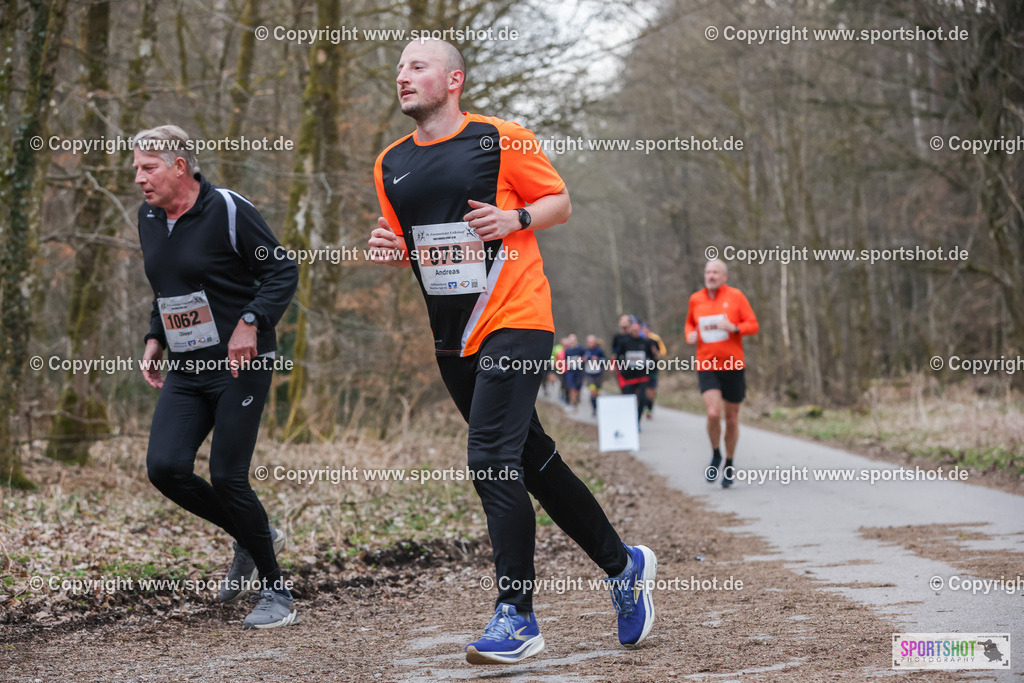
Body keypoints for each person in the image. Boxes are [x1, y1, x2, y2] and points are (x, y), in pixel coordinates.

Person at [368, 39, 655, 665]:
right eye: (398, 69)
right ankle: (623, 564)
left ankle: (516, 615)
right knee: (533, 459)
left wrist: (516, 220)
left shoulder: (503, 137)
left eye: (417, 67)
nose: (403, 76)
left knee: (490, 455)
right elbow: (416, 243)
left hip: (517, 317)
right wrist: (394, 250)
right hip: (453, 336)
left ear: (455, 80)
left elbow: (560, 202)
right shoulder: (390, 163)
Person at [133, 125, 299, 629]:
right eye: (136, 169)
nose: (139, 178)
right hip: (187, 365)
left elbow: (282, 271)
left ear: (179, 166)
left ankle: (278, 594)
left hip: (239, 364)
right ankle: (256, 535)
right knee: (166, 467)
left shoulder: (227, 208)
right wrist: (154, 337)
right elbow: (169, 287)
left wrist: (251, 322)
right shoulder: (148, 217)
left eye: (148, 167)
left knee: (228, 476)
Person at [685, 259, 759, 488]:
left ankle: (729, 462)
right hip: (707, 364)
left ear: (724, 276)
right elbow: (689, 325)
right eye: (708, 271)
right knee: (713, 414)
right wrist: (690, 336)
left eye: (715, 272)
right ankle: (716, 453)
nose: (711, 275)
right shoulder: (696, 299)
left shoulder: (736, 296)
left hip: (733, 366)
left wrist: (735, 328)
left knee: (732, 419)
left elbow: (753, 325)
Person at [614, 317, 659, 425]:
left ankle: (637, 420)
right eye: (632, 329)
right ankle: (630, 420)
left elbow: (653, 357)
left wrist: (649, 364)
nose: (635, 331)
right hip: (629, 376)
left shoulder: (646, 342)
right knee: (630, 400)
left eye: (637, 329)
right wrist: (622, 365)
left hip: (642, 375)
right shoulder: (624, 342)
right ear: (630, 329)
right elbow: (618, 356)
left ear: (640, 329)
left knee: (643, 399)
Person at [640, 322, 667, 419]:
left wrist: (656, 353)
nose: (645, 331)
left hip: (653, 368)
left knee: (652, 390)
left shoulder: (655, 339)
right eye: (643, 329)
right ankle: (646, 407)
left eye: (646, 329)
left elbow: (662, 352)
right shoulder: (639, 340)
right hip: (642, 369)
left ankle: (649, 407)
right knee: (645, 389)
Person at [583, 335, 607, 416]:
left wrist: (598, 360)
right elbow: (581, 361)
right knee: (592, 391)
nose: (591, 344)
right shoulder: (585, 351)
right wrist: (583, 359)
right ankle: (594, 408)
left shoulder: (599, 351)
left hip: (598, 374)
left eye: (592, 342)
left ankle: (597, 407)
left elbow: (605, 361)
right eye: (589, 342)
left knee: (596, 393)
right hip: (589, 374)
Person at [562, 333, 585, 410]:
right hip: (570, 371)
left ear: (576, 341)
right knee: (572, 388)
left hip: (579, 371)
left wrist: (581, 359)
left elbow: (585, 357)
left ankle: (576, 401)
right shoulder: (567, 350)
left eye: (573, 340)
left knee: (577, 389)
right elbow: (565, 359)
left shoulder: (581, 349)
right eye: (570, 341)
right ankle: (573, 403)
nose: (572, 342)